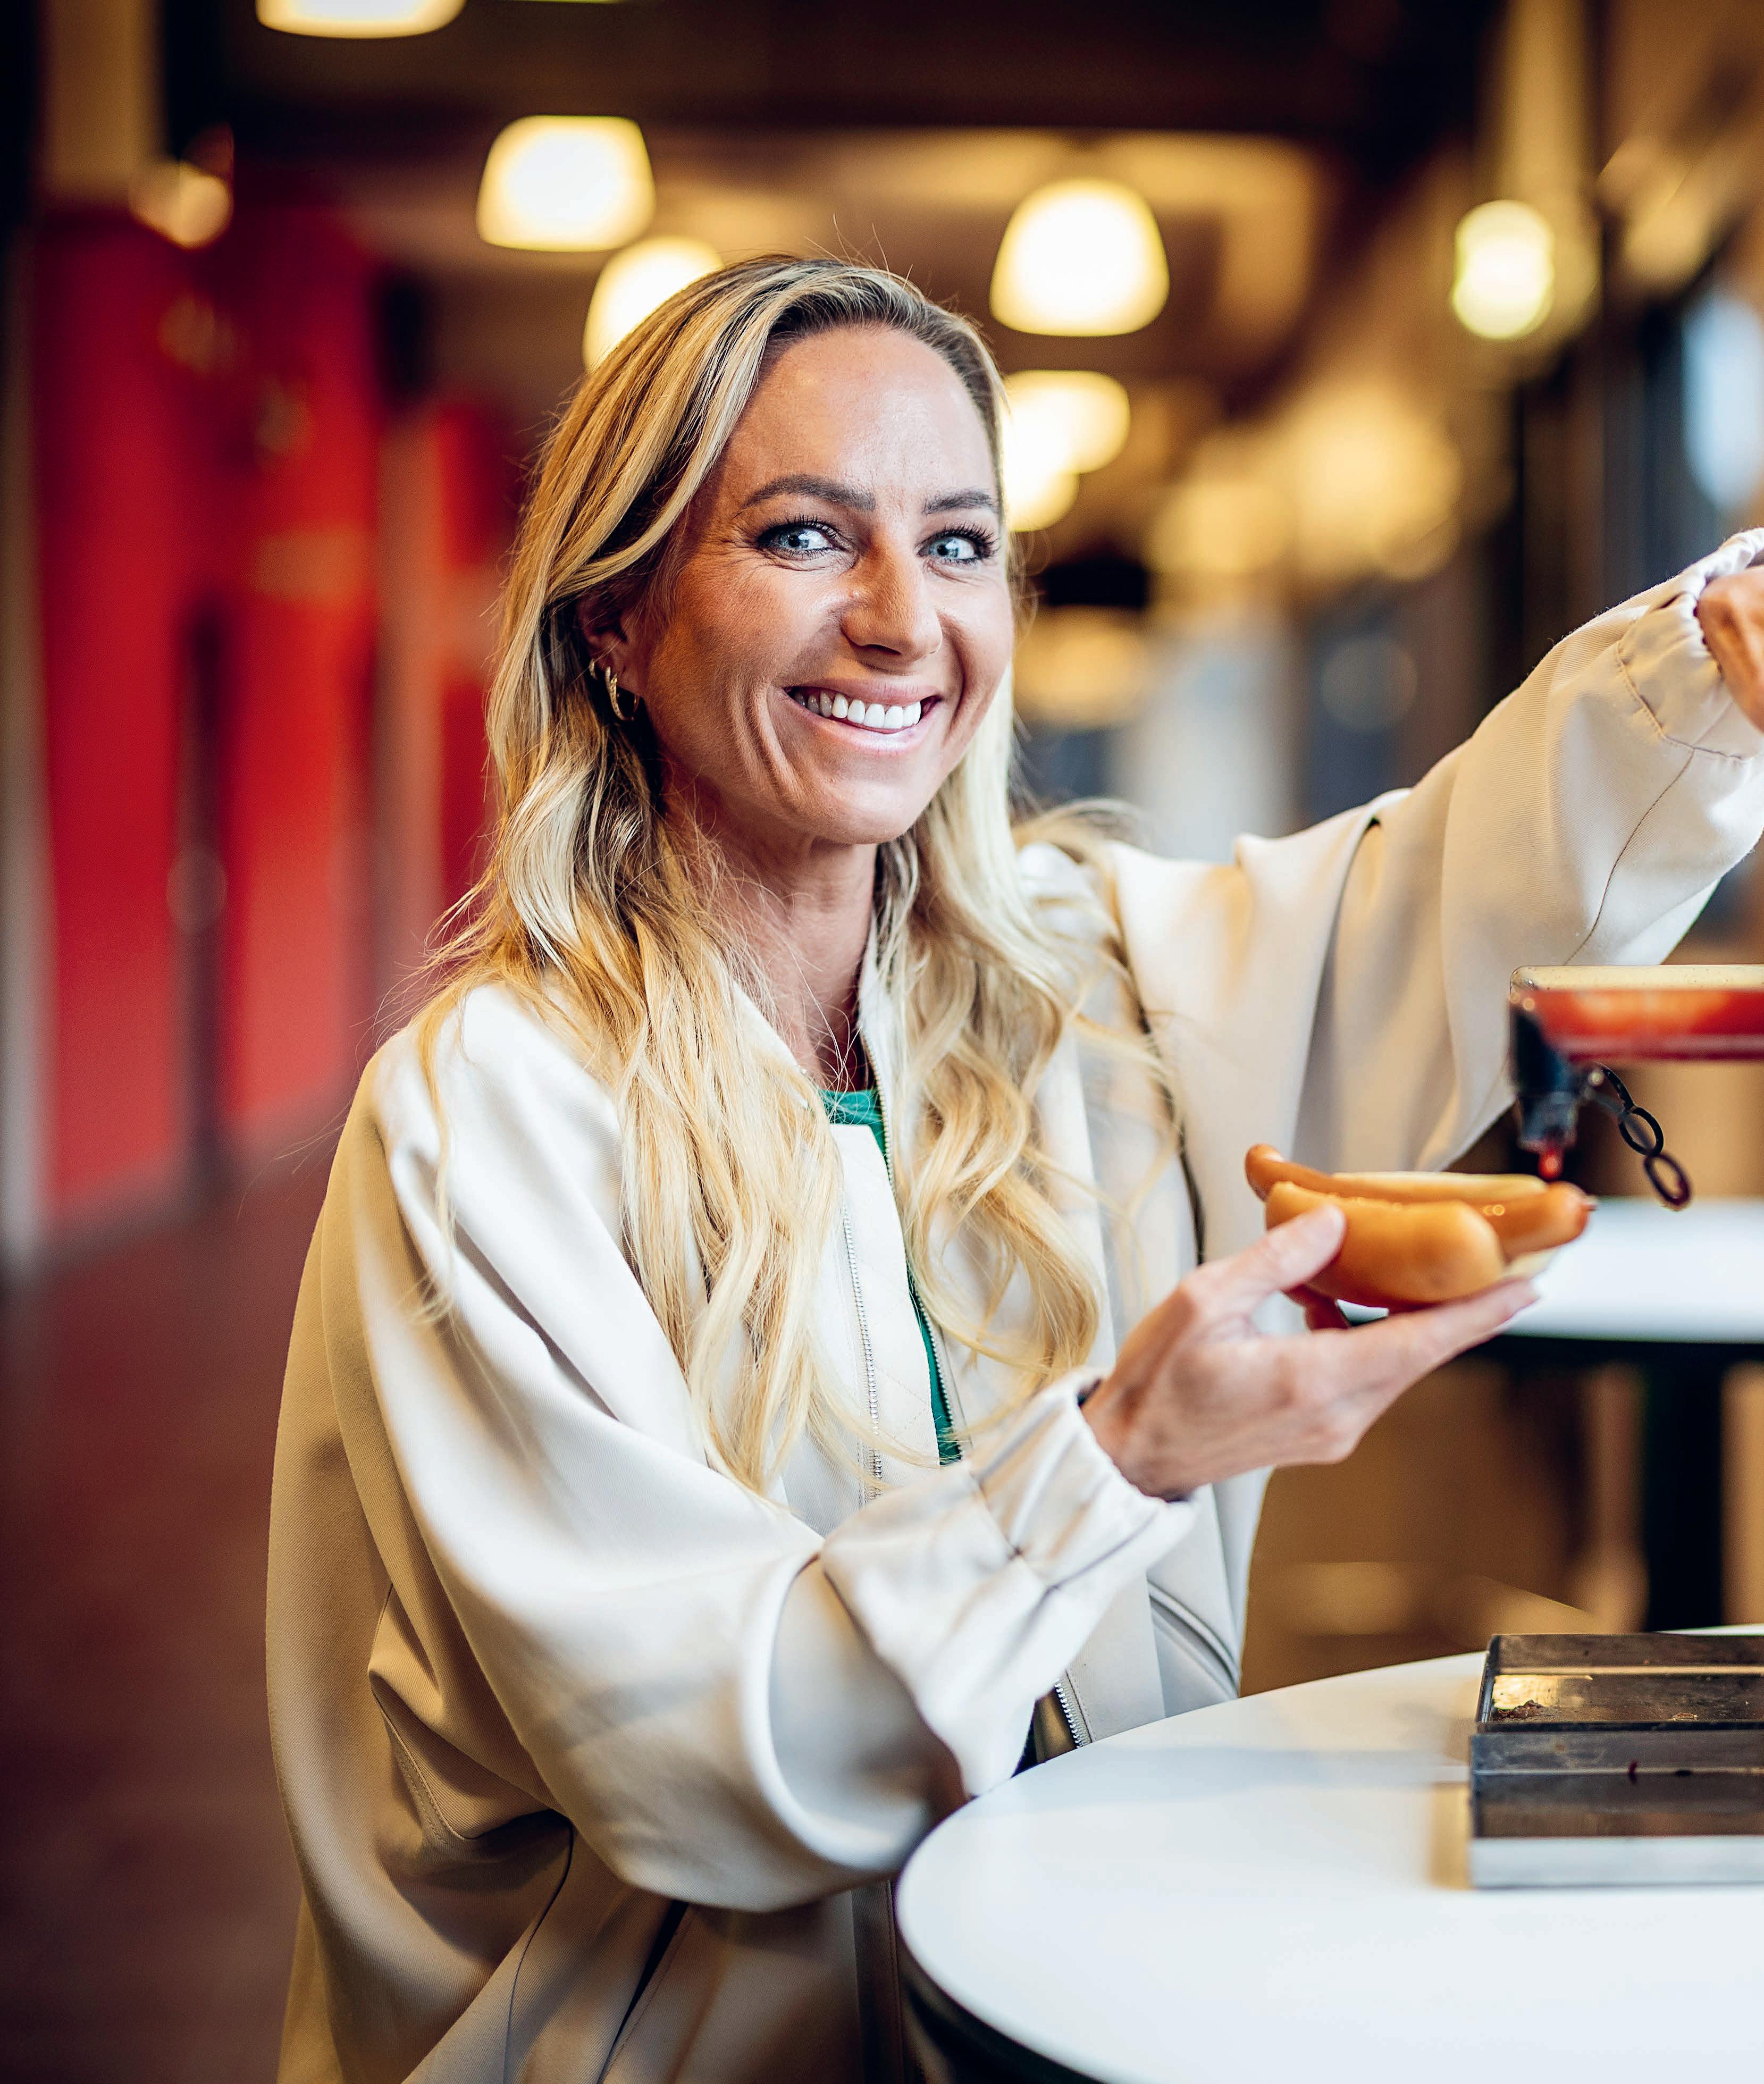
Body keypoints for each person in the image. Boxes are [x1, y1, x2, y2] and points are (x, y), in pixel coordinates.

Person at [267, 258, 1764, 2084]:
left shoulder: (1087, 983)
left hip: (1083, 2004)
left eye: (960, 544)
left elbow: (1442, 894)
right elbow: (699, 1756)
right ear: (616, 620)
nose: (904, 621)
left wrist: (1713, 660)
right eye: (805, 536)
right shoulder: (490, 1115)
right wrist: (1115, 1464)